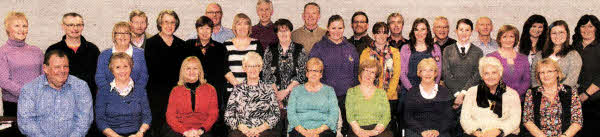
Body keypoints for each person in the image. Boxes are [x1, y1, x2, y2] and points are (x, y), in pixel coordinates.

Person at [17, 50, 93, 137]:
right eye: (57, 67)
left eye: (65, 66)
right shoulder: (29, 90)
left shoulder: (81, 87)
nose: (62, 71)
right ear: (45, 68)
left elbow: (84, 120)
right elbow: (26, 122)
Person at [309, 15, 359, 136]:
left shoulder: (350, 48)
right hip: (325, 97)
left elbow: (356, 73)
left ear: (344, 28)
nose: (337, 31)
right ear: (328, 28)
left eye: (340, 28)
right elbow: (312, 72)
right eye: (333, 28)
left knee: (345, 130)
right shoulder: (319, 47)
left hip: (347, 98)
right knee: (327, 130)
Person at [182, 16, 229, 135]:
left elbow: (224, 70)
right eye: (201, 28)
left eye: (208, 28)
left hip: (214, 92)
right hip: (193, 92)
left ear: (212, 30)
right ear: (197, 30)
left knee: (215, 124)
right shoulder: (188, 45)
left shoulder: (220, 48)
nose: (204, 32)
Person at [144, 9, 186, 136]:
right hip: (157, 94)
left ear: (176, 24)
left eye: (172, 22)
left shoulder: (181, 44)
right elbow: (152, 70)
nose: (169, 26)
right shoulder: (151, 43)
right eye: (166, 22)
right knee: (158, 129)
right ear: (160, 24)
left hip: (177, 93)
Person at [460, 57, 521, 137]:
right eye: (486, 73)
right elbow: (464, 118)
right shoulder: (471, 92)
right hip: (477, 134)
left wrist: (499, 131)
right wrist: (475, 131)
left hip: (503, 134)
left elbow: (514, 120)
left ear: (500, 74)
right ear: (482, 76)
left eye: (494, 73)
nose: (490, 77)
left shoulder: (512, 94)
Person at [359, 22, 401, 136]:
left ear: (388, 35)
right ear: (373, 35)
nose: (381, 36)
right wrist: (372, 95)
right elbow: (362, 75)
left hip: (390, 97)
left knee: (387, 130)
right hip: (370, 98)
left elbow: (396, 76)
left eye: (384, 33)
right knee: (372, 127)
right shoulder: (366, 53)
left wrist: (385, 96)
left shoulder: (395, 52)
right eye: (378, 33)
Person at [95, 53, 151, 137]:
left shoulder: (140, 90)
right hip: (112, 135)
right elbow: (100, 120)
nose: (122, 71)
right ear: (112, 70)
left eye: (125, 66)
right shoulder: (103, 91)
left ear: (131, 68)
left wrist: (140, 133)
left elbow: (147, 117)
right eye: (117, 67)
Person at [522, 58, 582, 137]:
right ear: (538, 76)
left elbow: (577, 121)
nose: (545, 75)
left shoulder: (570, 92)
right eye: (542, 73)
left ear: (557, 73)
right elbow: (527, 120)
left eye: (549, 71)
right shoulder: (531, 93)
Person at [225, 52, 281, 137]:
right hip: (241, 131)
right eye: (249, 66)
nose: (253, 69)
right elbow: (228, 115)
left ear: (260, 68)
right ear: (244, 68)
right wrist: (242, 127)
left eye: (256, 66)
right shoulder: (237, 89)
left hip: (264, 131)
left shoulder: (269, 89)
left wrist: (259, 129)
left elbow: (276, 115)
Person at [46, 12, 100, 99]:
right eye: (71, 25)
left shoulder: (93, 50)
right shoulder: (53, 50)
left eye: (79, 25)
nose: (75, 28)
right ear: (63, 26)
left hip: (88, 100)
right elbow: (48, 77)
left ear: (82, 27)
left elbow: (98, 77)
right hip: (60, 99)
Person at [0, 11, 43, 117]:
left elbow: (44, 77)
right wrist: (27, 94)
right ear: (8, 29)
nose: (21, 29)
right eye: (17, 26)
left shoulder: (36, 51)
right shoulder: (3, 52)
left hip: (38, 103)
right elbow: (4, 81)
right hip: (14, 105)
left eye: (24, 26)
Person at [165, 56, 218, 137]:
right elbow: (170, 116)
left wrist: (201, 130)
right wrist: (185, 132)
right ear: (183, 71)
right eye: (188, 68)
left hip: (203, 130)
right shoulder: (175, 91)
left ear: (200, 70)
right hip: (180, 131)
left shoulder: (211, 89)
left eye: (195, 68)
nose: (191, 72)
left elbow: (213, 114)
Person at [287, 57, 338, 137]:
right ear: (306, 73)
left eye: (317, 71)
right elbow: (291, 114)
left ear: (321, 74)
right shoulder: (296, 90)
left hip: (324, 130)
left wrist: (317, 131)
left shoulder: (329, 91)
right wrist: (305, 132)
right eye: (311, 70)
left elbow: (334, 114)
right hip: (300, 130)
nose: (313, 74)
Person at [404, 58, 454, 137]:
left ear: (435, 73)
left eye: (431, 70)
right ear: (419, 73)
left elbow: (449, 117)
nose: (428, 74)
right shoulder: (411, 93)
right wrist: (422, 131)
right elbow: (408, 117)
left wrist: (437, 131)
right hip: (417, 132)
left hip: (440, 132)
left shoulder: (444, 92)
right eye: (424, 70)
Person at [345, 58, 392, 137]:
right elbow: (350, 116)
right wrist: (359, 131)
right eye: (366, 70)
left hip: (379, 130)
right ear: (361, 72)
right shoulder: (351, 92)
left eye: (372, 72)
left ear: (376, 76)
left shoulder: (382, 93)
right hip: (357, 129)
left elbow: (386, 116)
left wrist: (374, 132)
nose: (368, 75)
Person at [442, 18, 483, 108]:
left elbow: (477, 75)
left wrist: (463, 93)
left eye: (467, 30)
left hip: (471, 96)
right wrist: (457, 94)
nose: (464, 33)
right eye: (461, 30)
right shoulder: (447, 50)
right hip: (451, 95)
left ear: (471, 32)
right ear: (456, 31)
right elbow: (446, 73)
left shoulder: (478, 52)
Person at [96, 21, 148, 91]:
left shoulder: (141, 54)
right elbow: (100, 78)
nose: (123, 36)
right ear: (114, 36)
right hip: (109, 97)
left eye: (126, 33)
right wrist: (112, 94)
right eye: (119, 33)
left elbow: (144, 76)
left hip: (136, 97)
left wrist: (134, 93)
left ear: (131, 35)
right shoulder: (104, 55)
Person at [531, 20, 581, 87]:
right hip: (541, 94)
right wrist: (541, 93)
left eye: (561, 32)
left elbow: (571, 80)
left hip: (566, 94)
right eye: (554, 33)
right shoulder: (539, 55)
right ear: (549, 35)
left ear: (567, 34)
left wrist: (555, 94)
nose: (558, 36)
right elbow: (534, 77)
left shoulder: (574, 55)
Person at [572, 14, 600, 137]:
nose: (586, 30)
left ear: (596, 29)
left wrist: (586, 94)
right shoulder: (573, 47)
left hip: (596, 100)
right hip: (575, 99)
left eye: (590, 26)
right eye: (583, 26)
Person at [224, 13, 265, 95]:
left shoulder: (256, 44)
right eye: (239, 24)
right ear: (234, 27)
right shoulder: (226, 44)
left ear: (249, 27)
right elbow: (224, 68)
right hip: (232, 91)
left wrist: (249, 87)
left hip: (253, 91)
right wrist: (238, 85)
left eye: (245, 24)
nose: (242, 27)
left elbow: (261, 68)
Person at [487, 25, 530, 99]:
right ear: (499, 39)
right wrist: (504, 95)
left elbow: (527, 80)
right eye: (504, 37)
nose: (508, 40)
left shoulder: (523, 58)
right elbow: (488, 79)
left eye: (511, 36)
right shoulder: (491, 57)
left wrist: (515, 94)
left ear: (515, 39)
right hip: (497, 99)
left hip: (518, 99)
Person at [400, 18, 442, 91]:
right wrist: (412, 90)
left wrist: (432, 89)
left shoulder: (435, 48)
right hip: (409, 90)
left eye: (423, 29)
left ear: (427, 31)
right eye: (416, 29)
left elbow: (438, 71)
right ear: (413, 31)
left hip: (430, 90)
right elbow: (402, 74)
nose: (419, 33)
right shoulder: (405, 48)